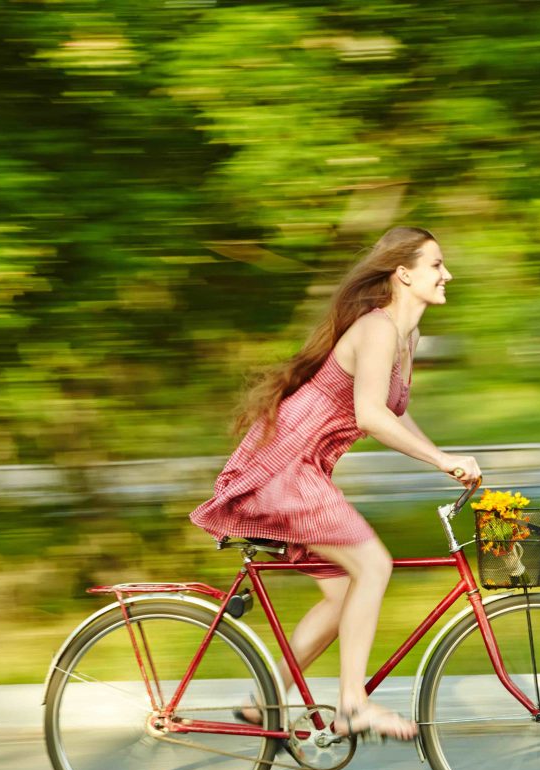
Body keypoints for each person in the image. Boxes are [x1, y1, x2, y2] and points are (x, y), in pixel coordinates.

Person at [189, 226, 481, 741]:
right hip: (284, 470)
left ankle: (263, 701)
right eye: (437, 264)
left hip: (304, 471)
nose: (448, 274)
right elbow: (369, 414)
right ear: (404, 273)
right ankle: (352, 705)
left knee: (346, 588)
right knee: (374, 564)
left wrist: (442, 462)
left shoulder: (403, 336)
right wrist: (440, 457)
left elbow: (393, 411)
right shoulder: (378, 330)